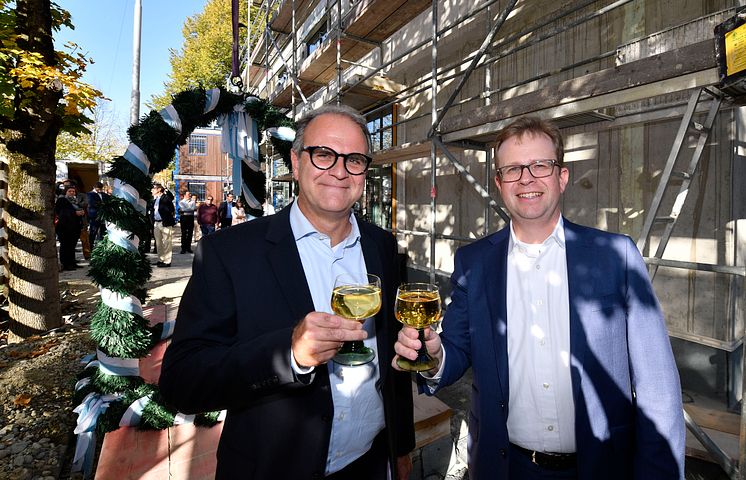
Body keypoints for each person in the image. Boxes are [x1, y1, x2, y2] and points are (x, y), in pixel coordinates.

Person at [393, 116, 685, 480]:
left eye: (539, 166)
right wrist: (435, 357)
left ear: (561, 177)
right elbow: (456, 349)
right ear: (499, 183)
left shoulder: (615, 256)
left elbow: (658, 388)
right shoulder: (474, 263)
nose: (526, 178)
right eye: (513, 169)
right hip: (504, 467)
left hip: (601, 467)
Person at [160, 104, 415, 480]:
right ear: (296, 163)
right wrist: (289, 355)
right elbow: (182, 383)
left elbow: (393, 361)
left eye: (354, 159)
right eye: (324, 154)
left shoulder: (383, 246)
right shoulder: (230, 253)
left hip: (372, 463)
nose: (340, 171)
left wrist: (402, 447)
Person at [55, 185, 85, 271]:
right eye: (70, 191)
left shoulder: (74, 201)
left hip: (74, 227)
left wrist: (81, 212)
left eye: (73, 191)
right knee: (65, 246)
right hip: (64, 227)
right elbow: (62, 213)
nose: (72, 193)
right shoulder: (62, 200)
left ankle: (72, 263)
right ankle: (66, 264)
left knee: (72, 246)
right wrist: (75, 213)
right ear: (65, 192)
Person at [150, 184, 175, 267]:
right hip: (156, 223)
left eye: (153, 189)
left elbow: (171, 208)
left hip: (165, 223)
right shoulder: (154, 199)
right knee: (158, 243)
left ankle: (167, 261)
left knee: (167, 242)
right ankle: (161, 259)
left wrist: (166, 189)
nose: (151, 190)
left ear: (159, 189)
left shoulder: (166, 198)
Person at [87, 181, 109, 249]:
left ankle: (101, 246)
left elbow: (109, 201)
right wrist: (103, 204)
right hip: (94, 216)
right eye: (98, 188)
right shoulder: (89, 194)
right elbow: (92, 203)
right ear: (94, 187)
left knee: (103, 231)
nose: (99, 190)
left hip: (103, 216)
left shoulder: (103, 194)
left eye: (100, 188)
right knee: (93, 232)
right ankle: (90, 246)